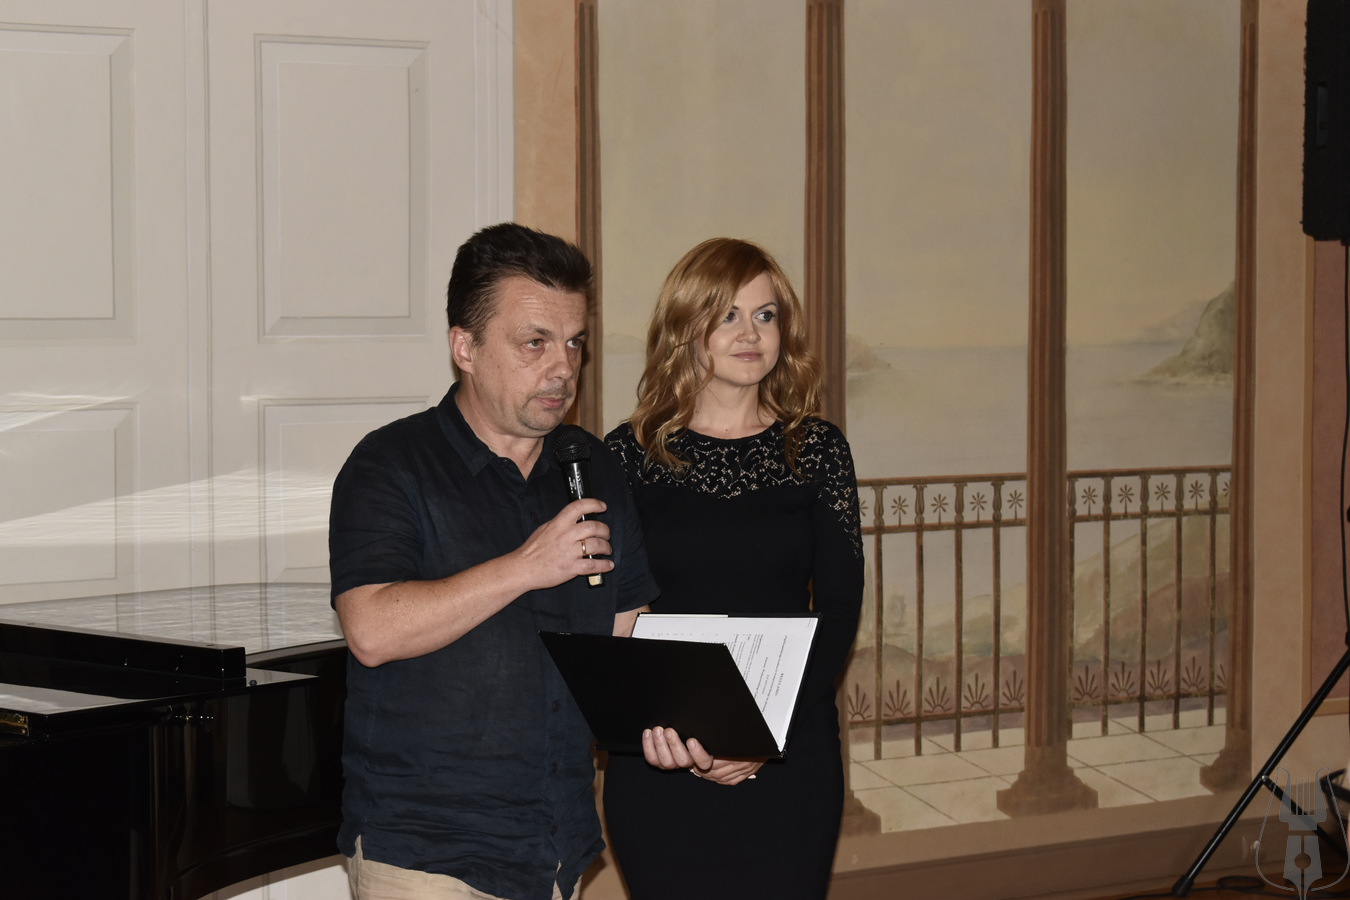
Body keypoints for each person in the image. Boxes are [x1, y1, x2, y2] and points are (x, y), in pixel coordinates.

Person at [328, 223, 659, 900]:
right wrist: (527, 565)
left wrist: (700, 723)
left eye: (574, 343)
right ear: (465, 348)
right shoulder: (390, 465)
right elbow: (372, 630)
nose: (562, 368)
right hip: (425, 855)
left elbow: (630, 629)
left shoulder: (593, 466)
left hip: (558, 847)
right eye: (535, 343)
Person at [602, 238, 864, 899]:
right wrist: (655, 725)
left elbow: (839, 610)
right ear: (684, 327)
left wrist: (762, 736)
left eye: (765, 315)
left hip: (789, 756)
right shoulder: (626, 455)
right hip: (661, 755)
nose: (751, 333)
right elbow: (613, 612)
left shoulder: (818, 450)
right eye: (727, 315)